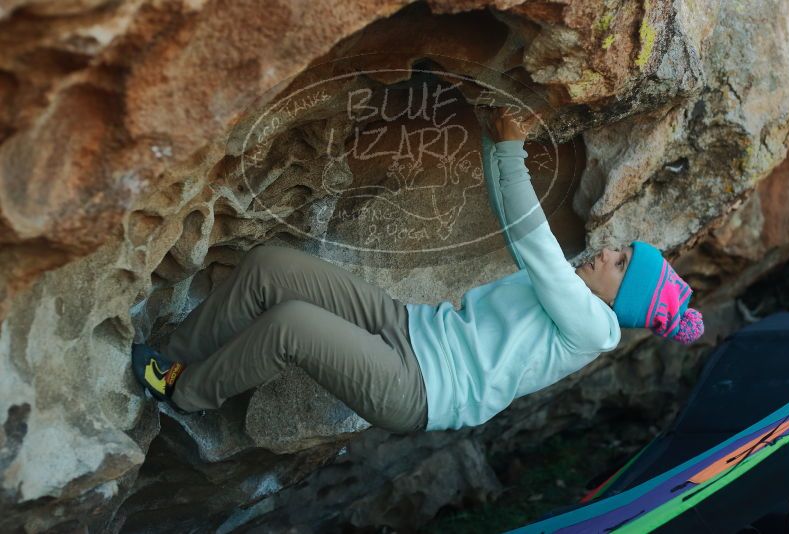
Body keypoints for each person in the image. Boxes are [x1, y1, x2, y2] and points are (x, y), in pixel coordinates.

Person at [131, 106, 704, 434]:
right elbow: (515, 217)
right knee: (271, 267)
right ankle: (175, 355)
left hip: (423, 390)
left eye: (622, 263)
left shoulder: (591, 327)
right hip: (407, 327)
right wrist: (494, 134)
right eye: (621, 250)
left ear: (623, 297)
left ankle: (182, 394)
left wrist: (509, 151)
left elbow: (530, 238)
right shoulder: (579, 302)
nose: (608, 253)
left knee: (292, 325)